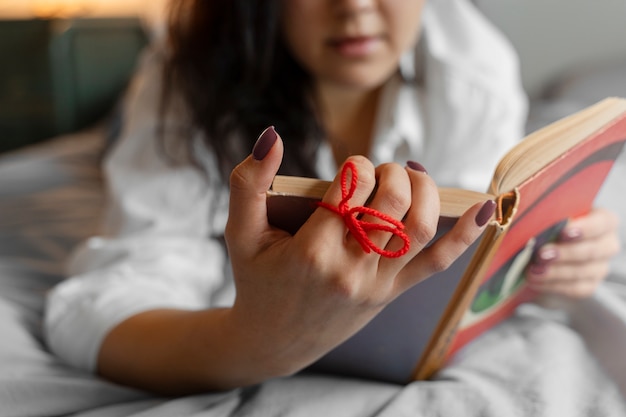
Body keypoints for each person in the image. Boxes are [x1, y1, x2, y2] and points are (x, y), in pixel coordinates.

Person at [43, 0, 620, 396]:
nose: (356, 7)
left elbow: (473, 249)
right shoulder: (188, 78)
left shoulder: (470, 62)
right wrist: (254, 344)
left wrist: (551, 254)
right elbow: (102, 304)